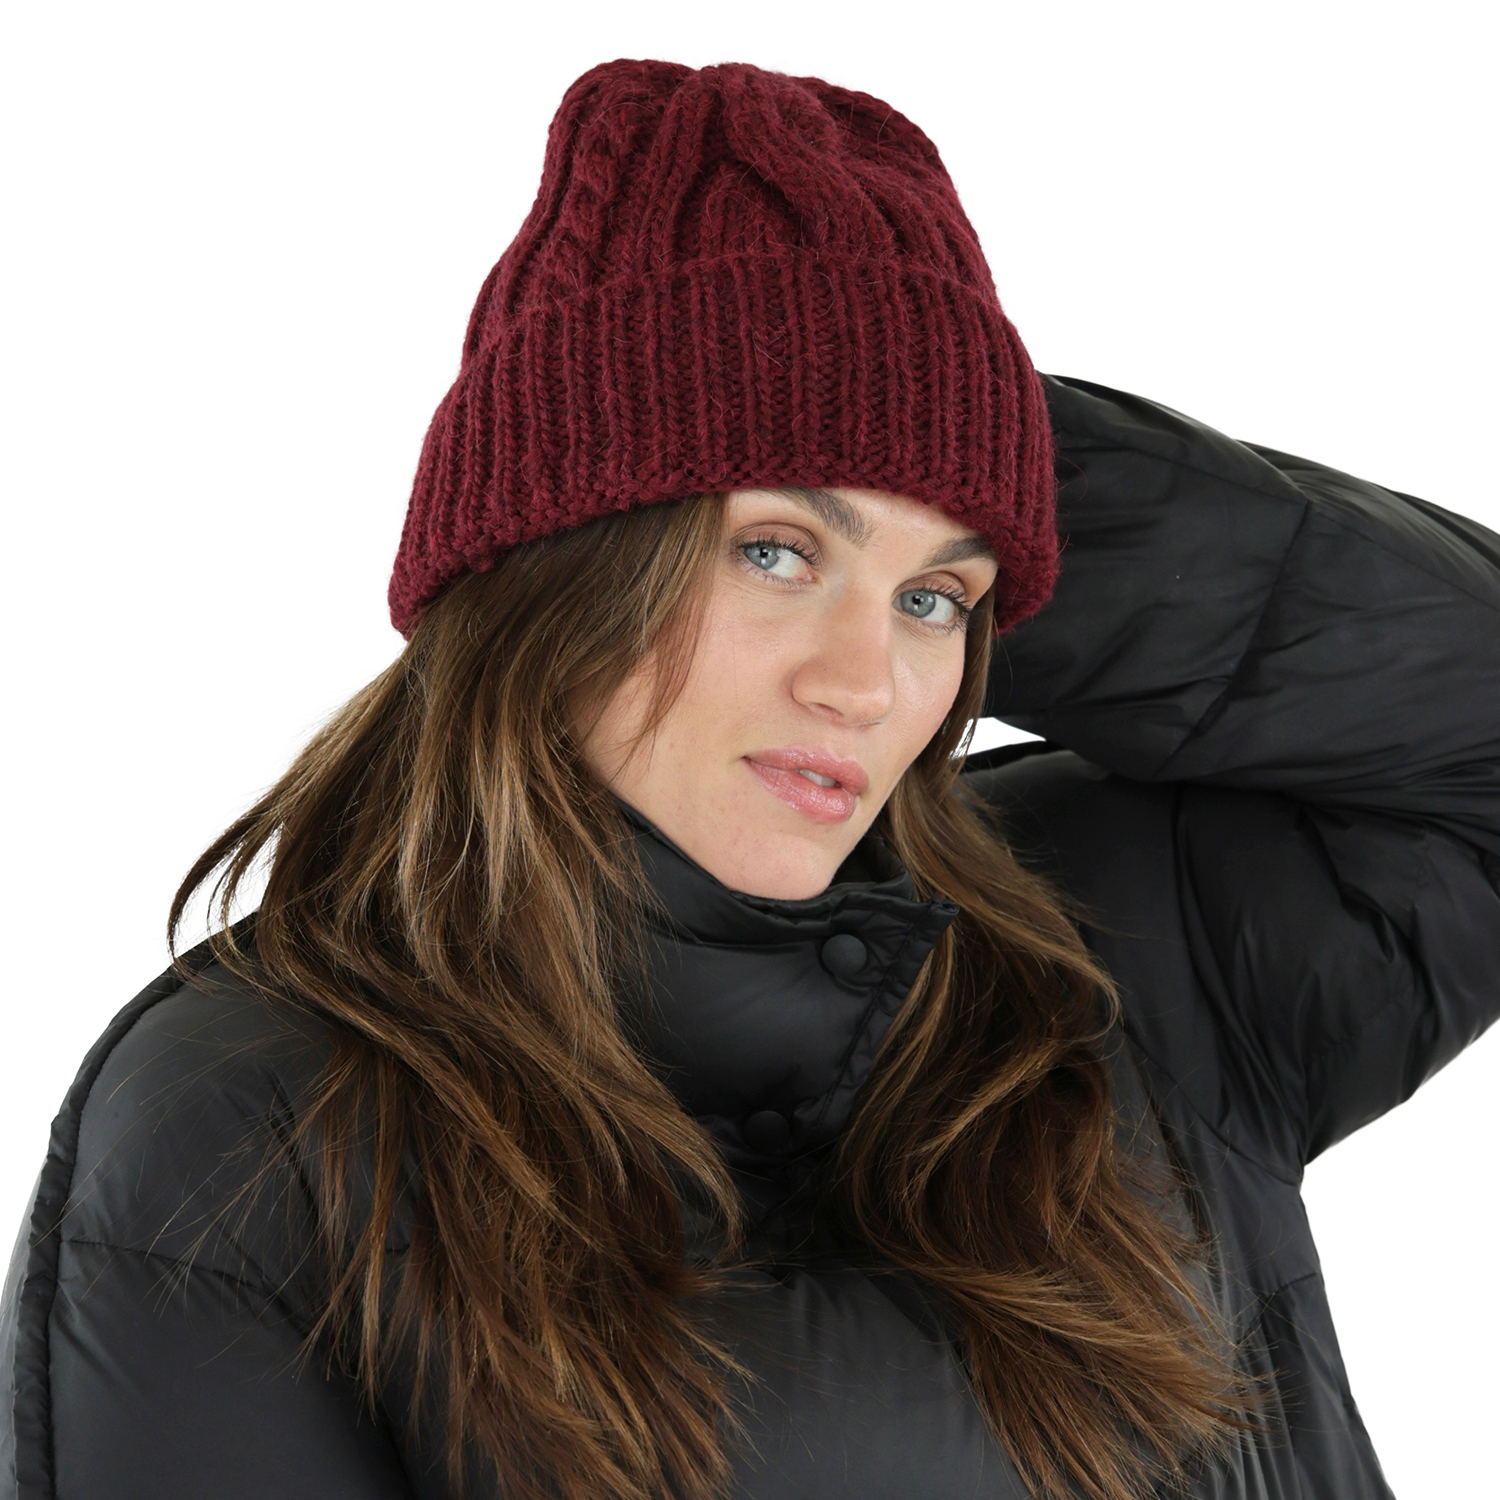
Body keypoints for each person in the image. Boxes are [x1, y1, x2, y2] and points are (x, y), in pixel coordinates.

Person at [2, 56, 1497, 1500]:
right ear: (559, 563)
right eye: (776, 553)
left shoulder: (1113, 953)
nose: (868, 683)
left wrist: (934, 416)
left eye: (938, 598)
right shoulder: (254, 1122)